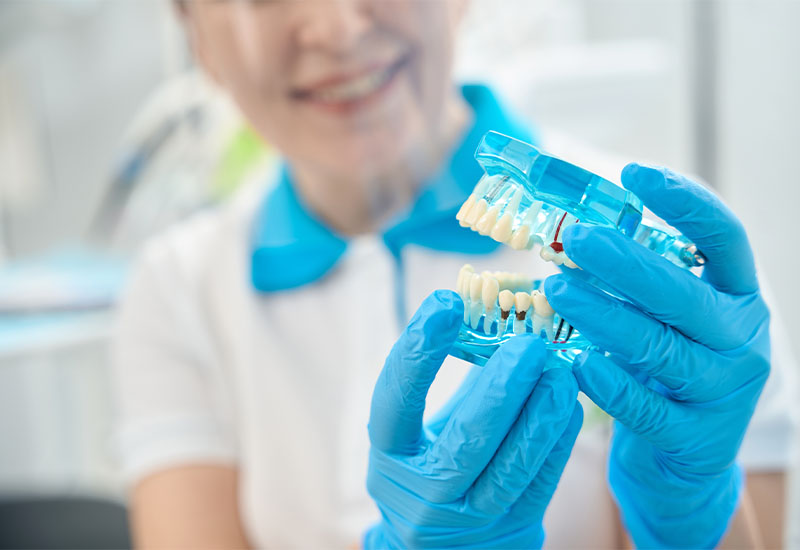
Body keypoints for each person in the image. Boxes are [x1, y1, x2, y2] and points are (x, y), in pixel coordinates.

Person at [111, 1, 798, 548]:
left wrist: (691, 518)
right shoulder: (179, 290)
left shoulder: (664, 263)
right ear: (194, 33)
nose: (338, 27)